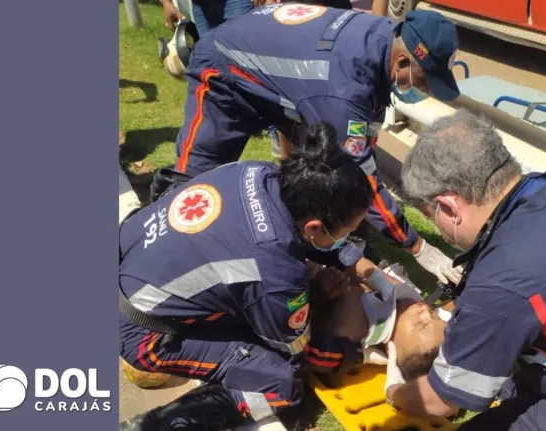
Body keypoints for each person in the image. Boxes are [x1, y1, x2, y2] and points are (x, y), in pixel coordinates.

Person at [119, 122, 392, 431]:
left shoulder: (259, 174)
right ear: (315, 227)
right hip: (145, 332)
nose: (351, 237)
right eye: (348, 231)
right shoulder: (277, 271)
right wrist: (357, 354)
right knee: (278, 382)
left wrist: (366, 270)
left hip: (132, 269)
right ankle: (159, 425)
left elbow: (299, 242)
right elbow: (302, 353)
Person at [172, 4, 464, 285]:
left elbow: (361, 150)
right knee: (195, 186)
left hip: (284, 75)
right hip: (223, 67)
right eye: (424, 82)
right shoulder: (344, 91)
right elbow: (359, 175)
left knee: (324, 182)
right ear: (401, 62)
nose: (423, 91)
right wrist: (416, 245)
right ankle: (173, 260)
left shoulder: (385, 38)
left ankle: (334, 247)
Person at [384, 110, 546, 431]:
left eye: (432, 217)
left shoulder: (502, 282)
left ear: (448, 207)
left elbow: (441, 401)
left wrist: (395, 393)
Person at [308, 264, 447, 378]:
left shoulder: (350, 328)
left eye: (420, 324)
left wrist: (318, 292)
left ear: (391, 349)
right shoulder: (400, 303)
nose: (426, 309)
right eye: (434, 315)